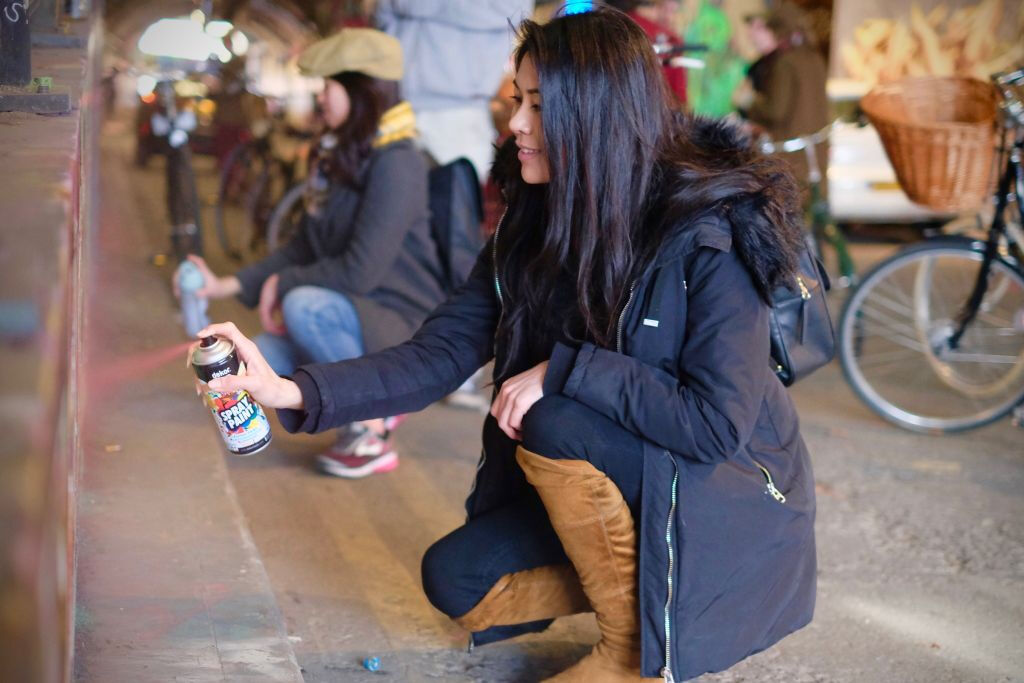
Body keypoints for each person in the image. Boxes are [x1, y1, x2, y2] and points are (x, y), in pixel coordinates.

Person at [195, 8, 816, 681]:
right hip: (620, 478)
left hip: (719, 499)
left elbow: (715, 425)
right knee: (458, 578)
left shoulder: (708, 233)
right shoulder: (535, 224)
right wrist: (289, 389)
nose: (515, 122)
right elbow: (437, 354)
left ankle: (634, 651)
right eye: (518, 99)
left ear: (597, 114)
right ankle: (637, 592)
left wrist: (567, 369)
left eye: (539, 106)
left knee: (555, 416)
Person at [181, 28, 446, 478]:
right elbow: (303, 246)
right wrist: (222, 284)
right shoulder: (341, 154)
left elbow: (360, 271)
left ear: (362, 91)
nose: (321, 97)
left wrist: (282, 284)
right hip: (348, 310)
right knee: (260, 357)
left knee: (304, 306)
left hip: (394, 318)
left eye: (329, 85)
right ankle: (340, 413)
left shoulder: (399, 162)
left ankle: (373, 425)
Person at [374, 0, 534, 183]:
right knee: (386, 192)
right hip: (397, 100)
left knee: (454, 197)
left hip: (461, 112)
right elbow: (385, 12)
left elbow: (514, 11)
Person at [739, 2, 829, 193]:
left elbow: (775, 111)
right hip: (814, 158)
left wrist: (749, 103)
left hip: (792, 160)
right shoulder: (815, 58)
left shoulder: (785, 63)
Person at [607, 0, 688, 107]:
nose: (670, 17)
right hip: (659, 112)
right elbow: (679, 98)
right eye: (671, 9)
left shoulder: (615, 28)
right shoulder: (671, 40)